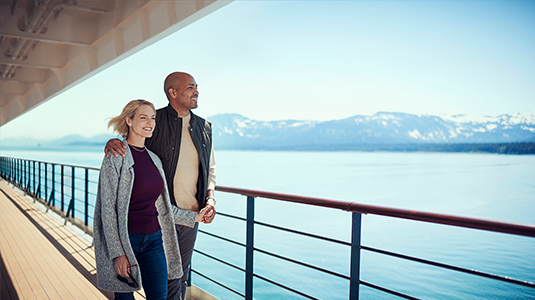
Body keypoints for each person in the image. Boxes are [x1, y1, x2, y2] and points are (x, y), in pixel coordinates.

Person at [105, 72, 217, 300]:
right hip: (156, 220)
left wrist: (211, 198)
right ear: (172, 93)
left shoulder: (205, 127)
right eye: (190, 87)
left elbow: (211, 170)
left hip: (187, 217)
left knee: (177, 278)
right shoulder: (156, 120)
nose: (196, 92)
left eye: (197, 87)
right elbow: (132, 146)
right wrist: (113, 141)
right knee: (140, 282)